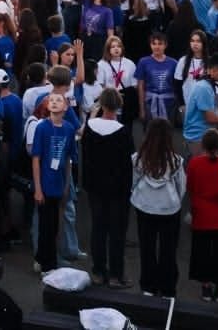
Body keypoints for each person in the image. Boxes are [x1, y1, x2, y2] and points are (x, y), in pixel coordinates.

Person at [81, 87, 133, 288]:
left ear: (101, 104)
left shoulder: (90, 128)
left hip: (95, 186)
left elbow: (86, 158)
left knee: (98, 228)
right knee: (117, 232)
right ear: (118, 106)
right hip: (118, 189)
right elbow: (128, 164)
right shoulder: (123, 132)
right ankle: (115, 274)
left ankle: (98, 270)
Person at [130, 116, 185, 298]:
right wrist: (176, 199)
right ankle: (168, 288)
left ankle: (148, 286)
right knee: (168, 250)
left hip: (144, 206)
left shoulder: (138, 159)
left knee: (147, 248)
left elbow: (133, 181)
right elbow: (181, 186)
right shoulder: (176, 161)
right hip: (169, 208)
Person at [185, 128, 218, 304]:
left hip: (202, 215)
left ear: (203, 145)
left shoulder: (194, 164)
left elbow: (190, 187)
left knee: (202, 253)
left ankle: (206, 286)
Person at [28, 91, 78, 272]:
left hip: (59, 183)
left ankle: (48, 258)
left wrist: (66, 186)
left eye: (59, 100)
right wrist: (38, 188)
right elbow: (36, 158)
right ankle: (46, 263)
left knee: (56, 224)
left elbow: (68, 160)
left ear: (66, 107)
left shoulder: (69, 129)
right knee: (45, 225)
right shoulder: (42, 127)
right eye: (52, 100)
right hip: (44, 183)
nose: (55, 102)